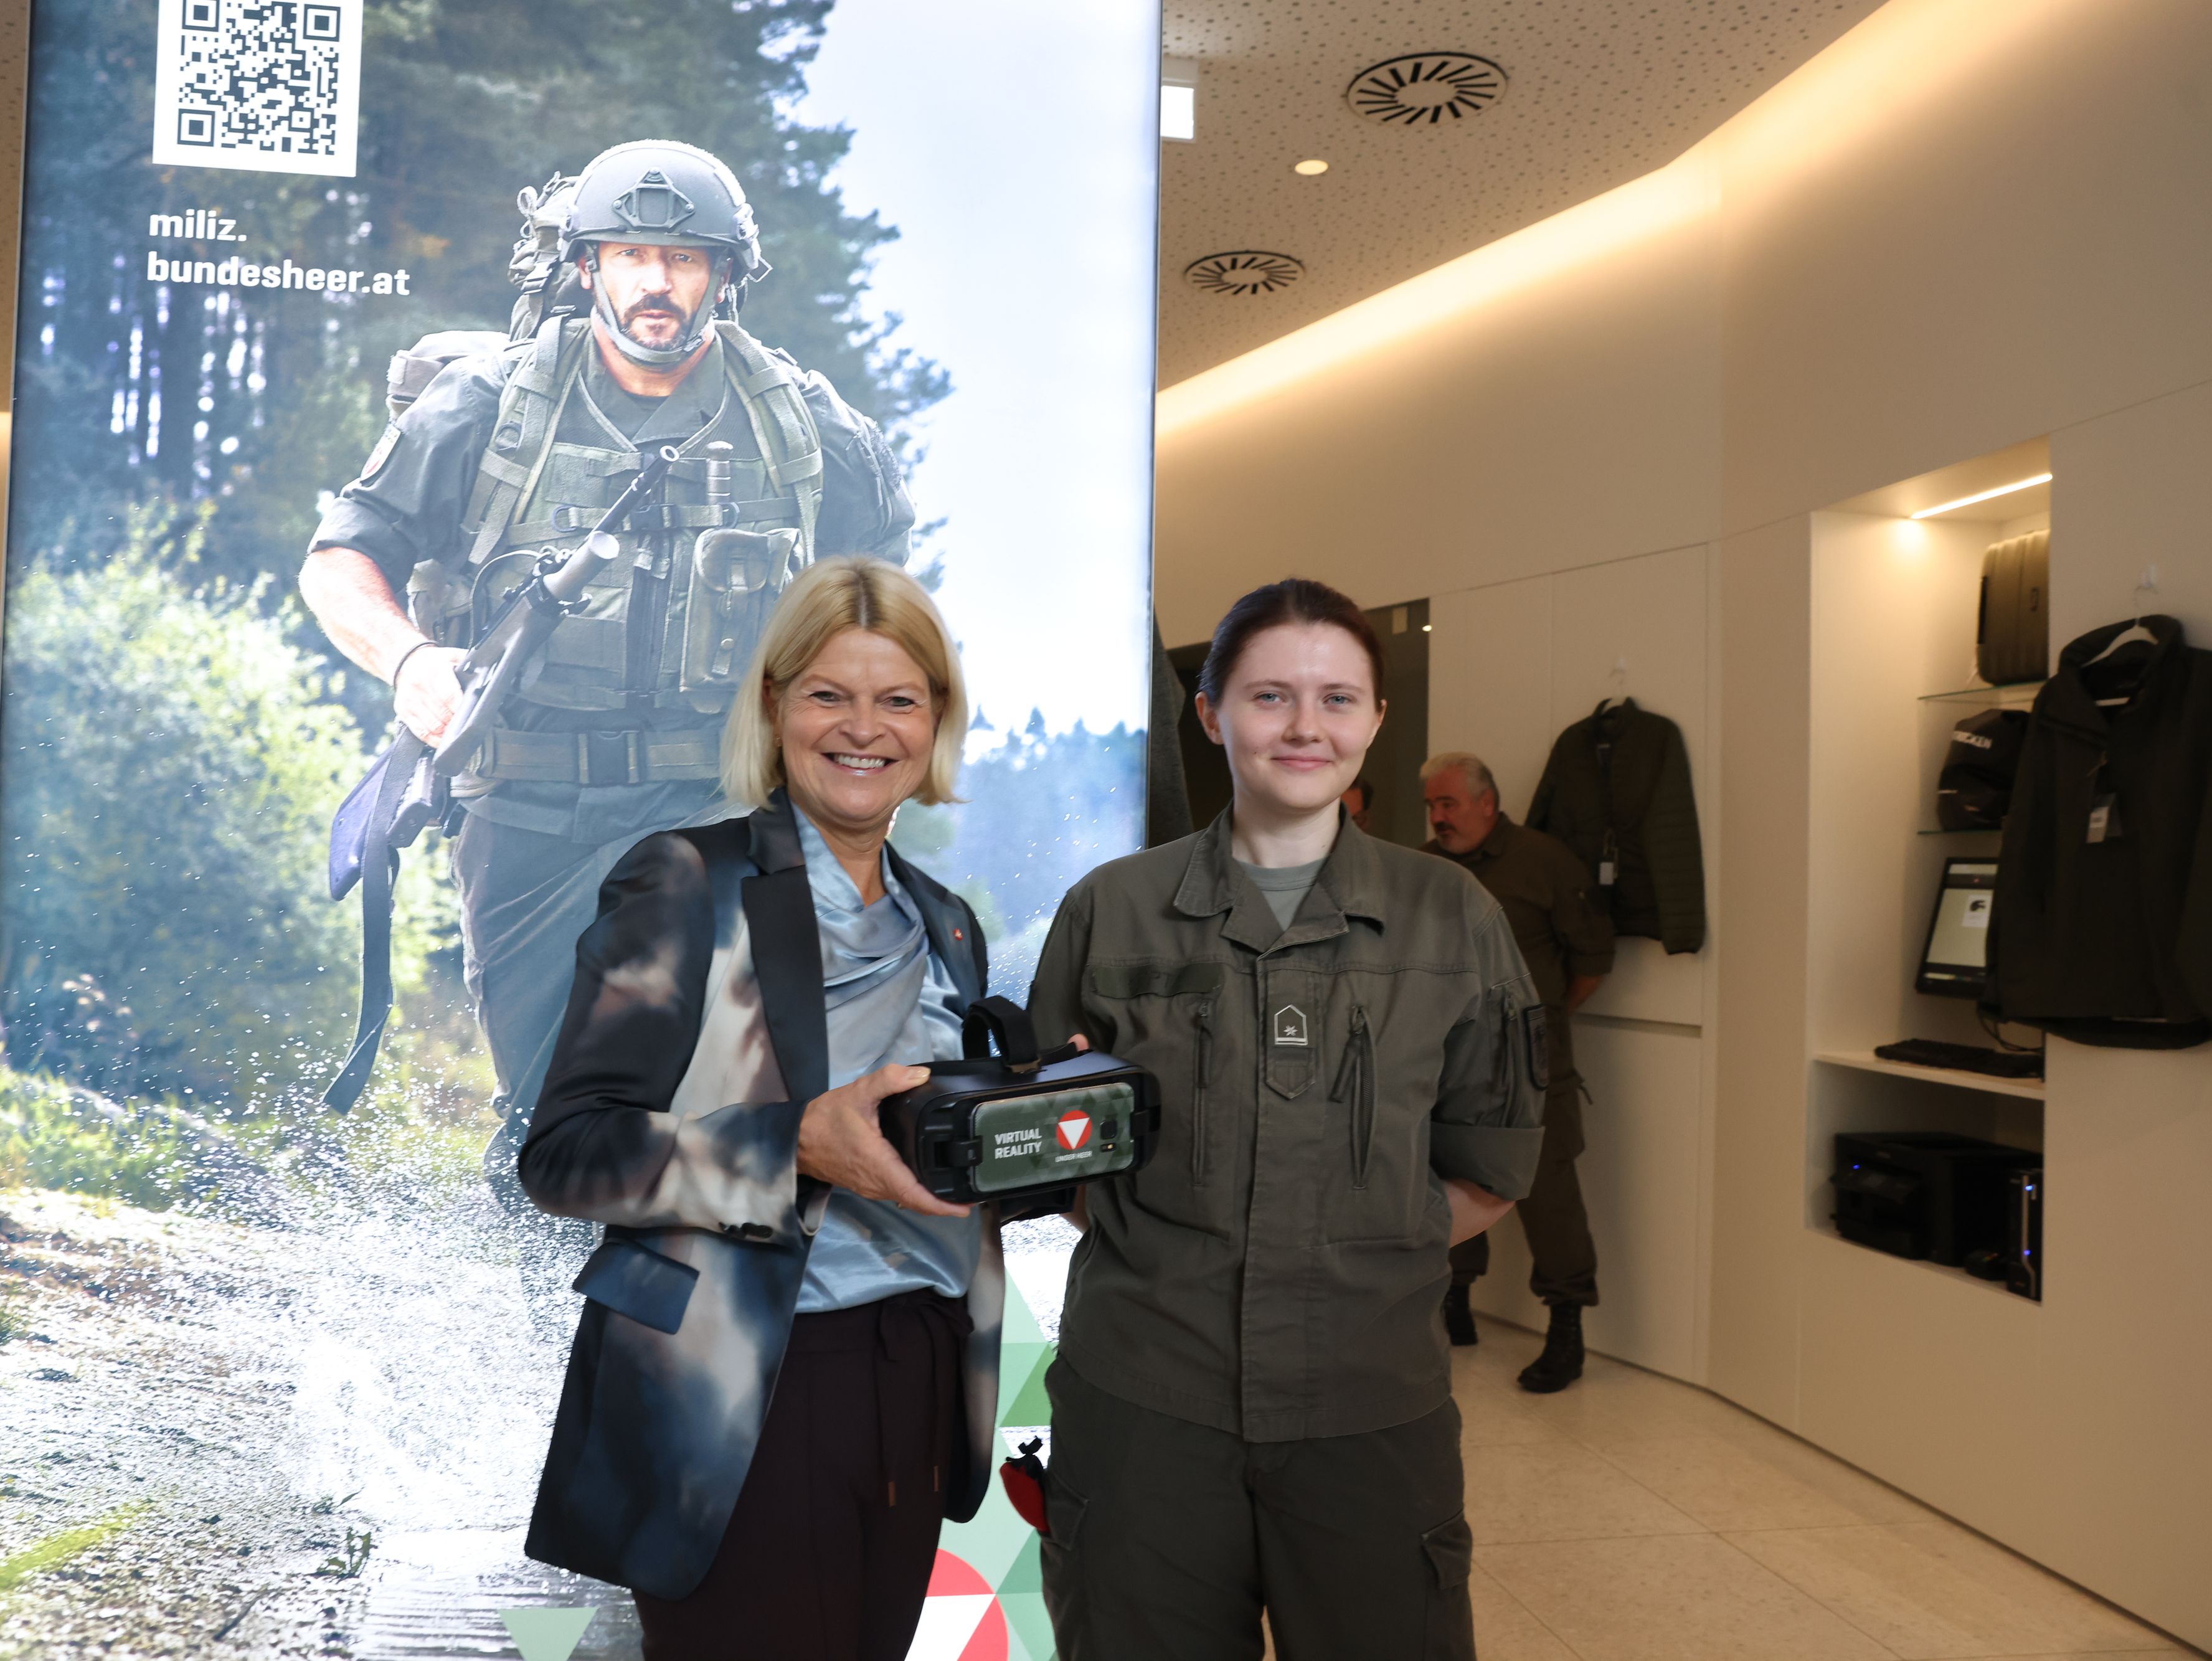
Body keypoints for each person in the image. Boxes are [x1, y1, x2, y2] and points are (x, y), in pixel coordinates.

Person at [297, 139, 915, 1183]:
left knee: (717, 1096)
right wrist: (408, 661)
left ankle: (699, 1322)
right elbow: (342, 558)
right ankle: (547, 1330)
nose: (657, 282)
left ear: (727, 275)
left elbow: (882, 584)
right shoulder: (493, 409)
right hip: (527, 809)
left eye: (684, 259)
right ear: (586, 267)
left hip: (717, 804)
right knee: (548, 1123)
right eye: (630, 254)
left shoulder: (802, 427)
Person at [1026, 578, 1547, 1661]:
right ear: (1212, 715)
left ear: (1376, 723)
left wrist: (1342, 1253)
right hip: (1145, 1404)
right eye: (1270, 696)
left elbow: (1491, 1166)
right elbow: (1058, 1153)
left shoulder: (1456, 917)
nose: (1307, 727)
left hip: (1370, 1403)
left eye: (1338, 698)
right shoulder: (1110, 909)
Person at [516, 557, 1002, 1661]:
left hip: (917, 1370)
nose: (863, 727)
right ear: (777, 706)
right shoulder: (687, 879)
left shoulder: (950, 922)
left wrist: (1039, 1132)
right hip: (746, 1388)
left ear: (936, 720)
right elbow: (565, 1152)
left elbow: (932, 1153)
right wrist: (796, 1148)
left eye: (899, 698)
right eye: (829, 693)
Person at [1420, 754, 1613, 1392]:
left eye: (1448, 804)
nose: (1437, 817)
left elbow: (1590, 959)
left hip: (1534, 1064)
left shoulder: (1543, 861)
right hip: (1447, 1059)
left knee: (1548, 1193)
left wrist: (1539, 1020)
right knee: (1448, 1175)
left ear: (1486, 802)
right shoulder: (1424, 868)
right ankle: (1455, 1303)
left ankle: (1566, 1327)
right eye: (1431, 806)